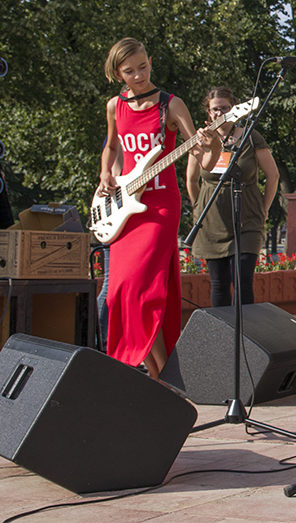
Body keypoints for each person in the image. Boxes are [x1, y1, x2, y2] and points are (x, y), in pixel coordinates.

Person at [97, 38, 220, 377]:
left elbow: (203, 160)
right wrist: (105, 174)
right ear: (117, 73)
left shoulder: (171, 105)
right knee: (116, 295)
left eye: (143, 67)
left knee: (142, 291)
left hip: (159, 208)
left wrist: (214, 143)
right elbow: (111, 147)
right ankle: (158, 376)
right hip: (124, 209)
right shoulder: (114, 106)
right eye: (129, 71)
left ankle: (165, 373)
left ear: (150, 61)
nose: (138, 75)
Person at [186, 86, 280, 308]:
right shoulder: (200, 141)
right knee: (218, 284)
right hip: (211, 223)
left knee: (243, 281)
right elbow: (191, 180)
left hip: (246, 219)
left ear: (234, 109)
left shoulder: (251, 135)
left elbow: (273, 175)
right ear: (208, 113)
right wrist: (199, 206)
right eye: (214, 110)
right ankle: (224, 338)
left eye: (224, 108)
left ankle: (245, 335)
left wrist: (264, 208)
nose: (219, 114)